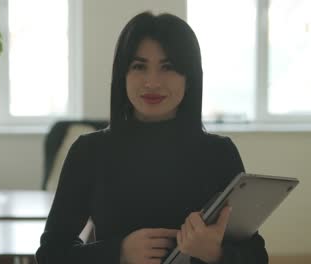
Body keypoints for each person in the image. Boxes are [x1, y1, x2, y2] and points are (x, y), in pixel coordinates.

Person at [36, 11, 268, 264]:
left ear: (189, 77)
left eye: (168, 67)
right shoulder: (90, 152)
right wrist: (119, 252)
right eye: (139, 67)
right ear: (122, 75)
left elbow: (257, 257)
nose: (152, 82)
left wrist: (215, 253)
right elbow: (51, 254)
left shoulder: (219, 153)